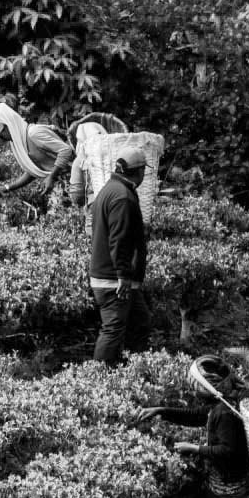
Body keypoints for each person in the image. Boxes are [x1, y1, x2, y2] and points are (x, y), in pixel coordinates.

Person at [139, 355, 249, 498]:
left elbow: (228, 451)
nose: (193, 392)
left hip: (231, 491)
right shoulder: (225, 400)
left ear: (207, 388)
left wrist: (194, 448)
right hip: (227, 483)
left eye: (195, 387)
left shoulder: (224, 412)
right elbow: (196, 415)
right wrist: (161, 411)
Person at [89, 145, 150, 366]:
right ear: (139, 170)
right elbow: (119, 239)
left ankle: (130, 371)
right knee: (113, 329)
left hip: (115, 278)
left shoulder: (109, 189)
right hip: (114, 280)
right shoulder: (123, 196)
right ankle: (99, 378)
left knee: (140, 322)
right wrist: (123, 275)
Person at [0, 101, 74, 202]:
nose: (2, 139)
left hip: (77, 178)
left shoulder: (34, 134)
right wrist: (7, 188)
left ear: (8, 125)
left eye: (1, 135)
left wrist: (51, 176)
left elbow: (66, 150)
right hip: (64, 188)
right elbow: (33, 170)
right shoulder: (20, 142)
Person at [67, 115, 130, 208]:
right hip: (121, 203)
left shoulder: (80, 160)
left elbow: (76, 195)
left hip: (95, 206)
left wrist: (83, 200)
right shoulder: (117, 155)